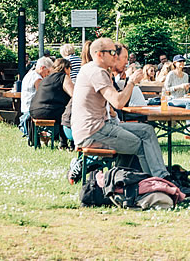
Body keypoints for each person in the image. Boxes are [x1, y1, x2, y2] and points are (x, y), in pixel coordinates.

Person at [72, 38, 169, 179]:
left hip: (98, 127)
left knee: (147, 131)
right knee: (139, 144)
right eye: (112, 52)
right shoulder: (97, 72)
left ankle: (162, 177)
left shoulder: (91, 69)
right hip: (93, 131)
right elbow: (118, 103)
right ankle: (153, 183)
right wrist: (131, 82)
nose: (115, 56)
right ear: (99, 54)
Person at [29, 58, 74, 149]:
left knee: (61, 110)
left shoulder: (45, 78)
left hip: (34, 110)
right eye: (70, 68)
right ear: (65, 68)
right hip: (49, 110)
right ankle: (64, 144)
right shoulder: (63, 77)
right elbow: (74, 94)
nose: (70, 71)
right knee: (66, 114)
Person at [19, 57, 54, 137]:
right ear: (42, 68)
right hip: (32, 109)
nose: (48, 75)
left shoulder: (30, 74)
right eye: (48, 72)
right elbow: (42, 94)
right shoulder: (38, 78)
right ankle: (48, 134)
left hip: (25, 107)